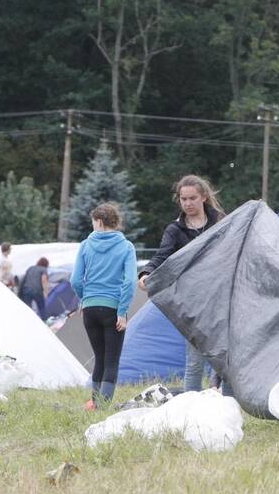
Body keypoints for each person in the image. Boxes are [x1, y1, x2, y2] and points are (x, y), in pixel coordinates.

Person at [139, 175, 224, 391]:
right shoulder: (175, 230)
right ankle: (190, 411)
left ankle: (229, 406)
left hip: (220, 298)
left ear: (203, 197)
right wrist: (147, 272)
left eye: (192, 198)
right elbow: (162, 255)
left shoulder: (221, 223)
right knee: (195, 360)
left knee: (226, 360)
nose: (187, 203)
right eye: (183, 199)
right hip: (192, 302)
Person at [72, 203, 137, 409]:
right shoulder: (126, 247)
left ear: (99, 222)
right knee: (111, 360)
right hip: (112, 308)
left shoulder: (85, 245)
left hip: (90, 309)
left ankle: (95, 403)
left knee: (99, 358)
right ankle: (103, 407)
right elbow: (129, 282)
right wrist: (122, 311)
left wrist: (86, 299)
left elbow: (75, 280)